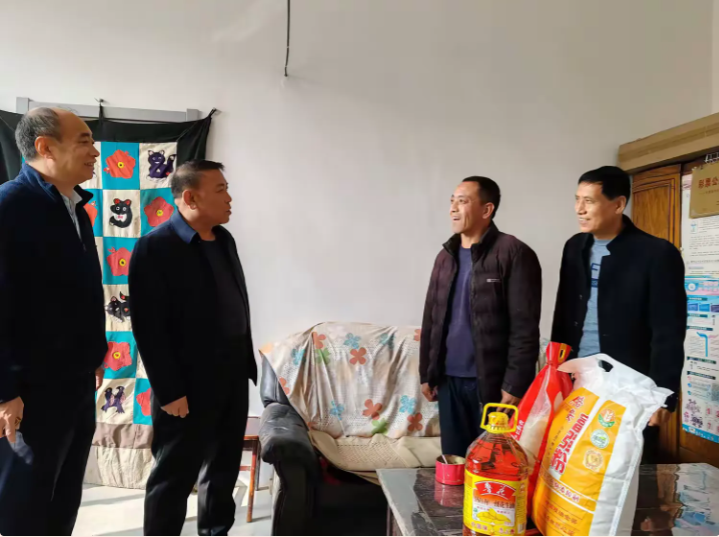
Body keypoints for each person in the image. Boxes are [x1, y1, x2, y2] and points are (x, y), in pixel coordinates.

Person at [129, 160, 258, 536]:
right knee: (174, 475)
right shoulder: (155, 247)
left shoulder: (224, 240)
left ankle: (216, 531)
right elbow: (149, 328)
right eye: (220, 190)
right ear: (190, 197)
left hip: (233, 376)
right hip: (186, 387)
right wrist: (169, 391)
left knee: (222, 472)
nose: (229, 198)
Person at [0, 108, 106, 536]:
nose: (94, 151)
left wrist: (94, 355)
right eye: (84, 141)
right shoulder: (9, 207)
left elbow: (81, 291)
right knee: (24, 507)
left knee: (63, 501)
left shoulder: (75, 209)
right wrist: (5, 392)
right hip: (30, 392)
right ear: (45, 147)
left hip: (74, 384)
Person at [552, 166, 686, 463]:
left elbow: (668, 331)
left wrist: (663, 395)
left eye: (589, 201)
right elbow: (563, 312)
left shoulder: (656, 254)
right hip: (578, 378)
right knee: (574, 465)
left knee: (627, 469)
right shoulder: (575, 247)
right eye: (577, 199)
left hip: (631, 384)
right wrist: (554, 368)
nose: (579, 209)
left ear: (618, 204)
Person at [419, 176, 542, 457]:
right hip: (449, 380)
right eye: (452, 201)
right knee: (455, 461)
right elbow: (431, 319)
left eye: (462, 201)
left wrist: (515, 384)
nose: (453, 208)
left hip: (491, 383)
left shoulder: (514, 253)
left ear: (487, 210)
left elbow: (525, 326)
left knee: (491, 464)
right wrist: (427, 372)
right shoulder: (445, 257)